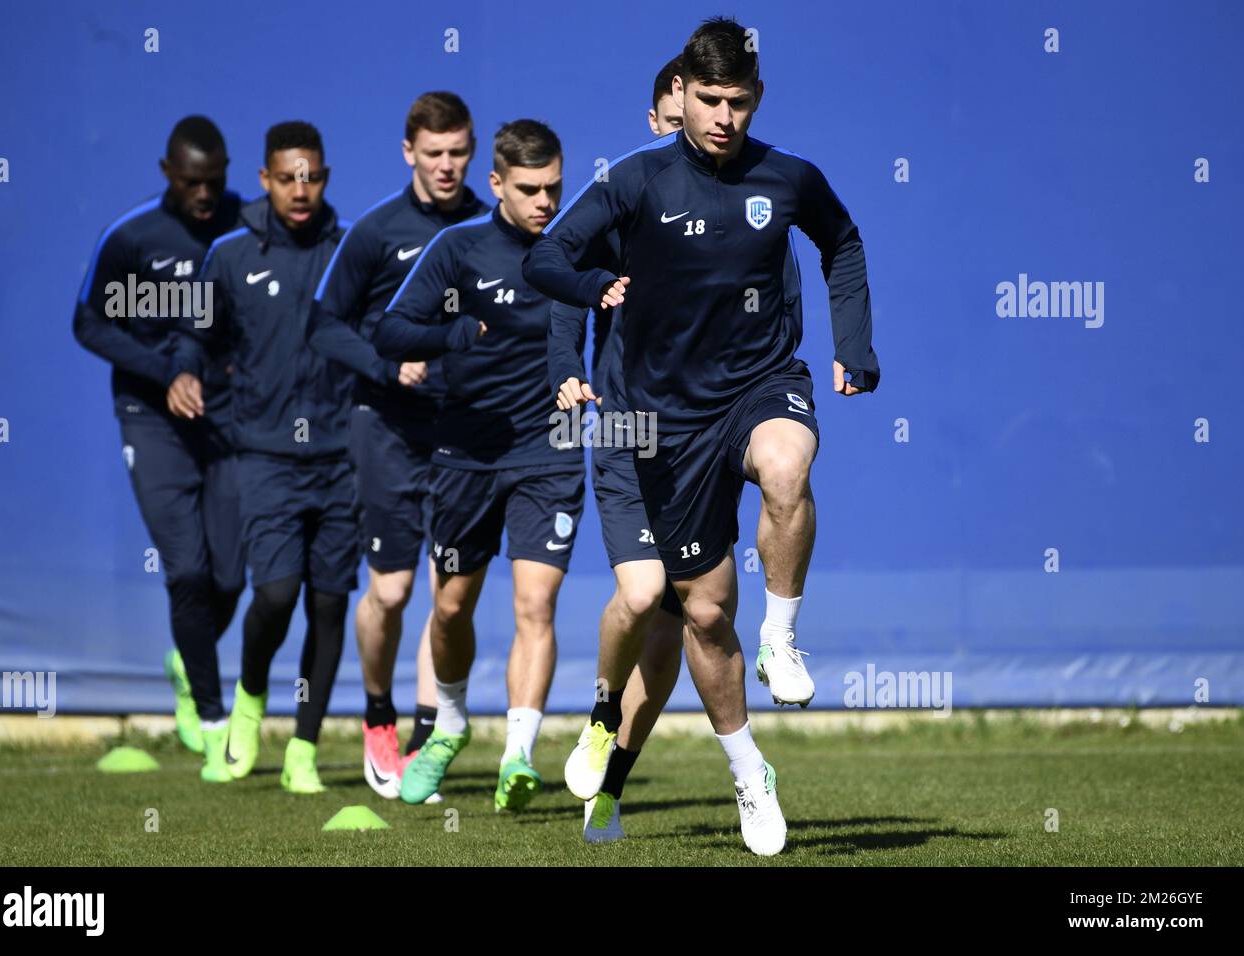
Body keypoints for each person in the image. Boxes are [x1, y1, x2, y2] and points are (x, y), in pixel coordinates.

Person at [524, 17, 880, 855]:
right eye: (711, 99)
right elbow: (547, 261)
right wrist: (594, 288)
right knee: (700, 613)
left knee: (789, 467)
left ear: (759, 97)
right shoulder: (636, 183)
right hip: (662, 426)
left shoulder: (789, 178)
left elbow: (844, 242)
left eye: (741, 101)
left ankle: (784, 637)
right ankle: (743, 769)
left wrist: (853, 346)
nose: (725, 116)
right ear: (681, 93)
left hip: (760, 386)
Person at [553, 53, 809, 844]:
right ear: (662, 120)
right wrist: (567, 372)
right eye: (683, 120)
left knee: (692, 613)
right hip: (632, 428)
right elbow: (567, 292)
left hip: (711, 428)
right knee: (643, 598)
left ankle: (638, 783)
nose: (705, 136)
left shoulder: (751, 215)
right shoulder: (629, 199)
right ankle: (600, 715)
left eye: (726, 114)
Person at [372, 120, 585, 812]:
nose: (546, 201)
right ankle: (452, 722)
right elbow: (392, 330)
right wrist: (449, 335)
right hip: (464, 457)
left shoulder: (577, 249)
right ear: (495, 184)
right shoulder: (457, 249)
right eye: (530, 190)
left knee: (535, 604)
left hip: (549, 452)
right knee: (451, 605)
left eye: (554, 186)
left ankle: (518, 754)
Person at [309, 92, 488, 802]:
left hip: (463, 429)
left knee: (450, 596)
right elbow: (325, 324)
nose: (447, 167)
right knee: (393, 587)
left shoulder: (488, 225)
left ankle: (424, 732)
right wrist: (389, 367)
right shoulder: (378, 232)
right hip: (384, 424)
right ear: (408, 152)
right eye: (433, 153)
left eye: (458, 153)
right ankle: (377, 714)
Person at [173, 121, 356, 793]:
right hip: (267, 457)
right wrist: (186, 371)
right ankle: (248, 704)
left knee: (330, 606)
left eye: (311, 176)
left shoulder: (351, 249)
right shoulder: (227, 255)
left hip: (343, 459)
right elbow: (195, 337)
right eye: (287, 178)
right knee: (275, 595)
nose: (300, 190)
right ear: (265, 181)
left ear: (325, 177)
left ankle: (303, 752)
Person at [73, 115, 244, 782]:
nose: (206, 194)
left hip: (227, 416)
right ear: (168, 172)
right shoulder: (130, 238)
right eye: (193, 182)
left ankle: (187, 655)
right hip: (151, 417)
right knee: (187, 571)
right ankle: (209, 716)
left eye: (216, 180)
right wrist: (161, 373)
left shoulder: (243, 223)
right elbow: (87, 321)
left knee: (231, 575)